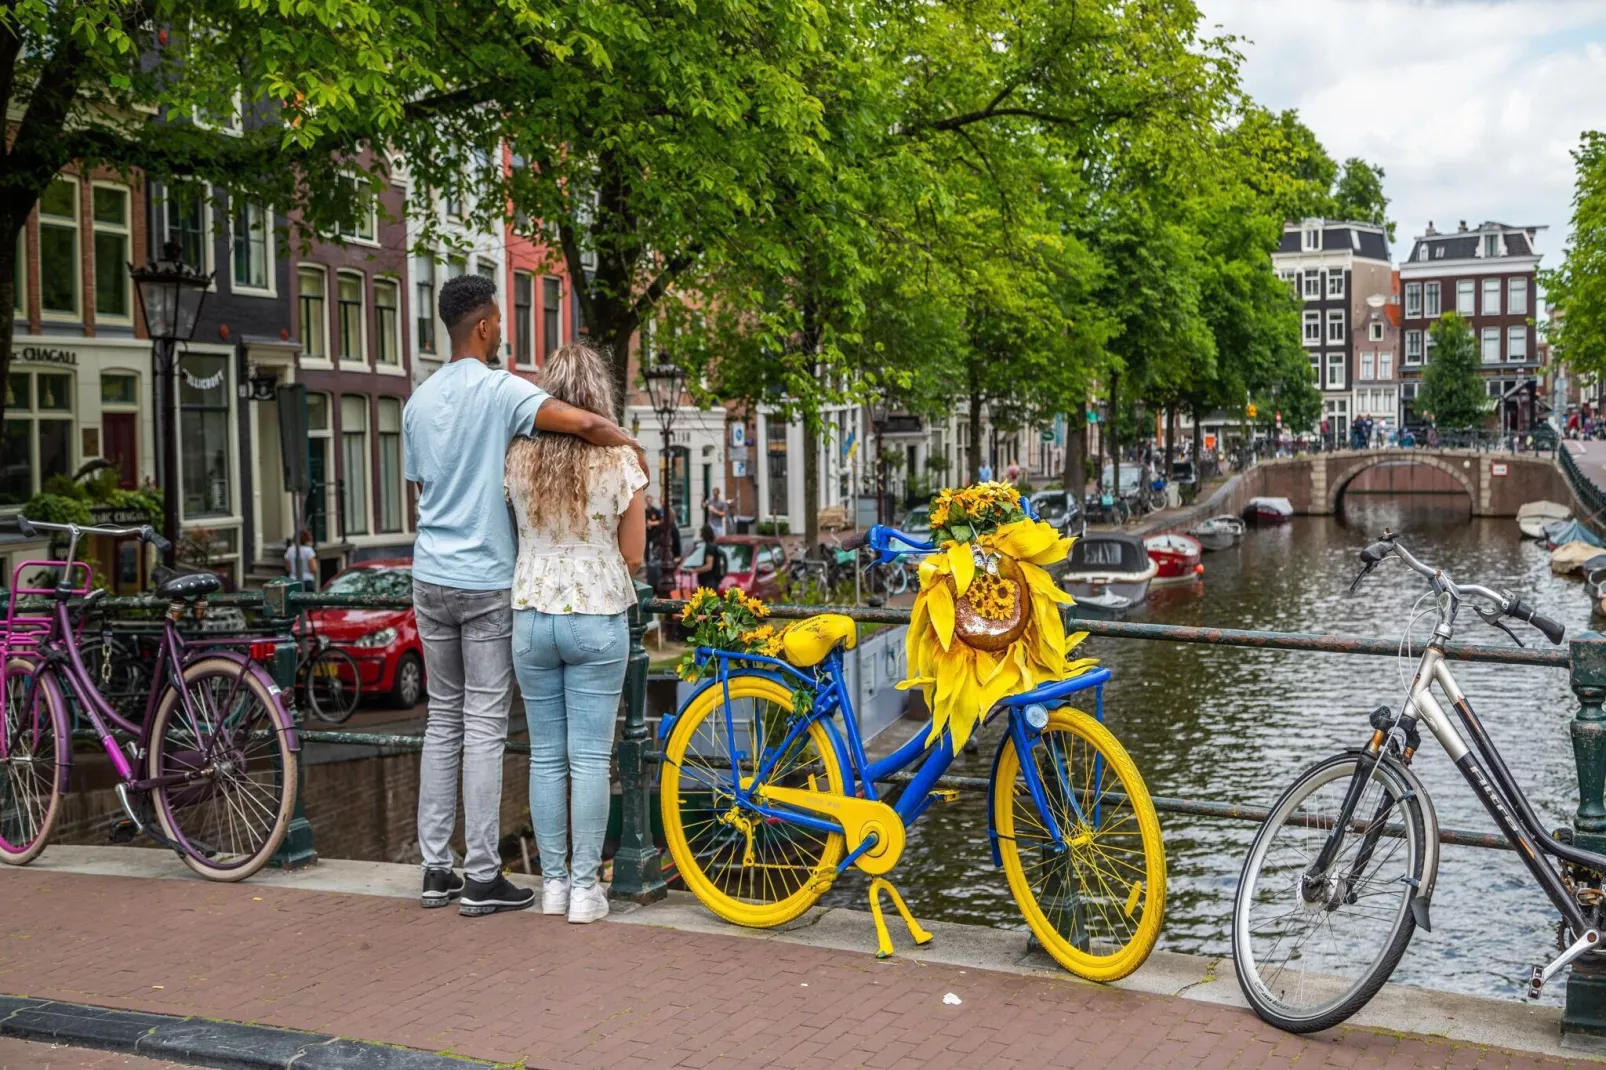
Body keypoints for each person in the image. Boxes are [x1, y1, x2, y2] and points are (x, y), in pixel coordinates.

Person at [404, 274, 639, 918]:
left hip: (429, 576)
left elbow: (421, 493)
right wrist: (624, 442)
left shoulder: (417, 402)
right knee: (483, 724)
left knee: (440, 718)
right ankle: (481, 874)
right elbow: (581, 422)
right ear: (482, 326)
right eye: (500, 321)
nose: (504, 330)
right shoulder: (503, 389)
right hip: (485, 579)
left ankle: (434, 868)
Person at [504, 343, 648, 924]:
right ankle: (587, 891)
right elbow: (633, 554)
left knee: (546, 758)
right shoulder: (620, 462)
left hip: (531, 615)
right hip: (596, 614)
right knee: (590, 759)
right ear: (601, 398)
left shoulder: (516, 458)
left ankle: (554, 886)